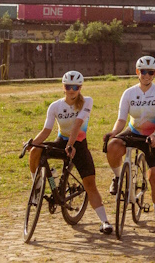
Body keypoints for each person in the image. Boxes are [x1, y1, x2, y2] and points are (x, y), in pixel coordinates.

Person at [26, 71, 113, 234]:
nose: (71, 90)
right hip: (61, 142)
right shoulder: (55, 106)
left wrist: (71, 144)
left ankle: (104, 221)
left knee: (90, 185)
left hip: (79, 145)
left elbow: (78, 124)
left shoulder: (87, 101)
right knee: (36, 150)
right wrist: (32, 144)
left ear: (80, 88)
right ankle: (37, 186)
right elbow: (46, 130)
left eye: (75, 87)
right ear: (63, 87)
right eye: (68, 87)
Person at [104, 56, 155, 233]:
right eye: (143, 72)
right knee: (112, 145)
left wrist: (154, 135)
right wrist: (113, 133)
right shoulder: (129, 93)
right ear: (137, 72)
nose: (146, 75)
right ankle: (118, 178)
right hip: (133, 131)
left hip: (154, 134)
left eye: (151, 72)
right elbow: (121, 120)